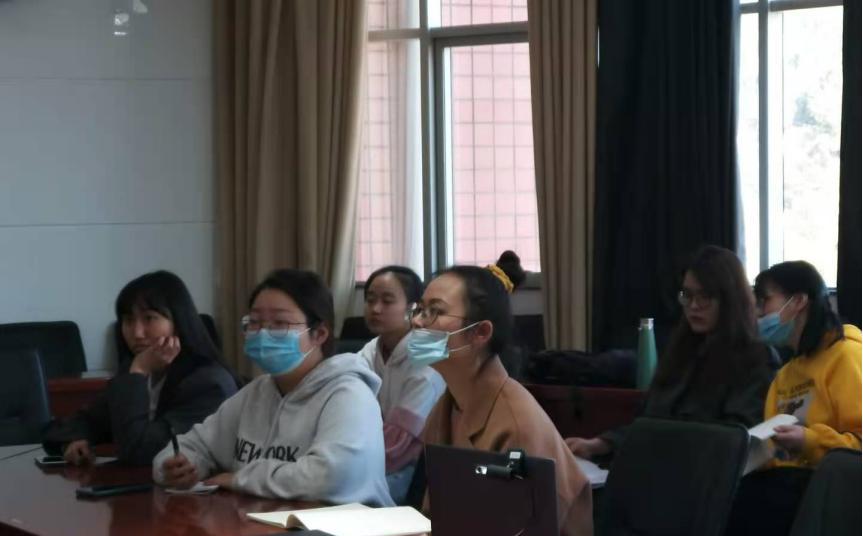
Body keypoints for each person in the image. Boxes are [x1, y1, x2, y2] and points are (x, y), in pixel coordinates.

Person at [152, 269, 393, 506]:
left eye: (280, 323)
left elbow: (334, 477)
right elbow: (191, 446)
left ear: (319, 333)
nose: (263, 334)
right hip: (262, 520)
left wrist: (239, 479)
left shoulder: (350, 395)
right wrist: (180, 466)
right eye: (254, 322)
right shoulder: (256, 393)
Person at [414, 264, 592, 536]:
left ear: (481, 332)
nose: (417, 322)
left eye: (435, 311)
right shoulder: (445, 407)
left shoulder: (516, 424)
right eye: (419, 309)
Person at [566, 245, 773, 460]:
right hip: (657, 465)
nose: (694, 306)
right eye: (687, 295)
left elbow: (735, 437)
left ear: (730, 300)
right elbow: (648, 423)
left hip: (705, 470)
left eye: (705, 296)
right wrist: (602, 443)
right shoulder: (680, 352)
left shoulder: (755, 359)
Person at [42, 270, 239, 465]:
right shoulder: (134, 372)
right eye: (128, 320)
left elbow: (139, 452)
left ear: (178, 323)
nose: (137, 333)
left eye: (149, 318)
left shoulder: (208, 384)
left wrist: (138, 372)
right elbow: (65, 427)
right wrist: (72, 442)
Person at [725, 260, 862, 536]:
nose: (759, 313)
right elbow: (774, 452)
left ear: (798, 301)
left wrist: (809, 441)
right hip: (782, 487)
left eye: (765, 301)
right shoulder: (785, 375)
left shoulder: (847, 355)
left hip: (832, 491)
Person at [359, 265, 445, 504]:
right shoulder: (369, 351)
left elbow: (399, 446)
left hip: (415, 470)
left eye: (387, 301)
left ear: (413, 308)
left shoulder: (429, 355)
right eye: (370, 300)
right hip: (369, 457)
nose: (375, 309)